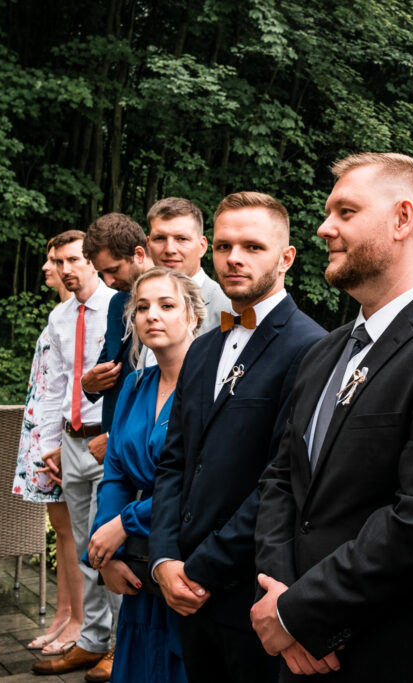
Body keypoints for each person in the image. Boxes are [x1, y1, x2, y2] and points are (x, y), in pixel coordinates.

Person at [251, 153, 413, 682]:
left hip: (410, 653)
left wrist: (300, 613)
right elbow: (281, 479)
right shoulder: (322, 354)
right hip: (306, 655)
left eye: (345, 212)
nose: (324, 228)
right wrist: (279, 594)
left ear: (401, 219)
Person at [149, 191, 325, 683]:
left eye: (252, 247)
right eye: (224, 246)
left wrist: (203, 569)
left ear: (286, 258)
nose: (234, 259)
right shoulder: (202, 348)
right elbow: (175, 460)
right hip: (185, 590)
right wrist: (164, 557)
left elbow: (283, 478)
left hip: (251, 593)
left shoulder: (312, 348)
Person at [84, 267, 205, 683]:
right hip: (137, 563)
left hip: (185, 556)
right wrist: (108, 554)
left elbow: (201, 481)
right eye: (142, 307)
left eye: (166, 305)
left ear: (192, 315)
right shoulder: (134, 385)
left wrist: (125, 523)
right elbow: (115, 472)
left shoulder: (211, 388)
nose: (152, 315)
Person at [32, 230, 121, 677]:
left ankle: (120, 646)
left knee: (110, 546)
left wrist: (117, 436)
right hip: (70, 440)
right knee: (85, 548)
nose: (65, 270)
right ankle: (91, 639)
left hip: (107, 442)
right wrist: (50, 443)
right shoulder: (60, 316)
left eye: (73, 260)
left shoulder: (120, 306)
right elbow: (55, 384)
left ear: (91, 262)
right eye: (58, 261)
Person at [13, 238, 83, 656]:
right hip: (44, 431)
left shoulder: (84, 314)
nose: (47, 267)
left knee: (71, 529)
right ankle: (63, 612)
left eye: (58, 260)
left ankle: (76, 619)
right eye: (52, 259)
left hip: (60, 435)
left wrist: (55, 442)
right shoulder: (60, 314)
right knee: (61, 529)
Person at [80, 213, 150, 468]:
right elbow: (109, 361)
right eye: (102, 273)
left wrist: (113, 437)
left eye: (113, 270)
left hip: (147, 448)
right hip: (113, 452)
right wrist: (88, 385)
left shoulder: (174, 302)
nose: (108, 282)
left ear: (138, 255)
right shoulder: (117, 302)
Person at [145, 197, 230, 331]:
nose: (169, 249)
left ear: (202, 247)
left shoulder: (227, 309)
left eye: (182, 239)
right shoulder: (139, 304)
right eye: (160, 238)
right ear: (148, 245)